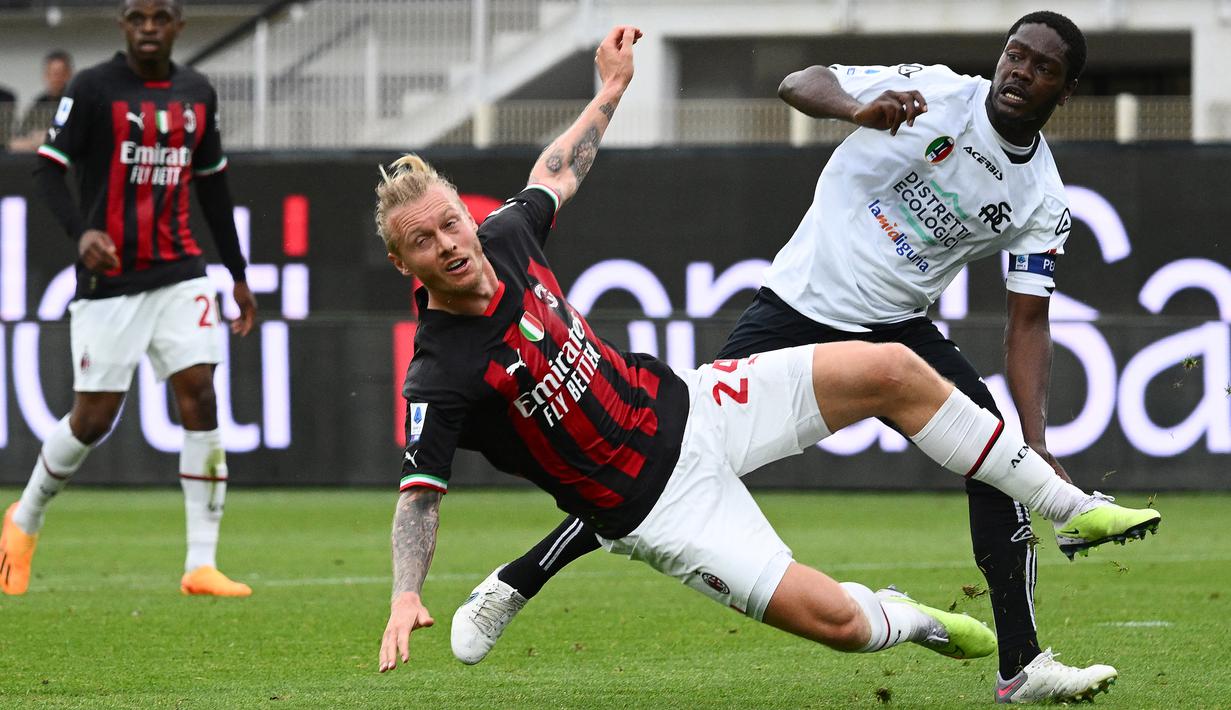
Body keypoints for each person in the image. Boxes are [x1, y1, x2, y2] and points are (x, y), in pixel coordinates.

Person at [374, 25, 1160, 679]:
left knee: (967, 436)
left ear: (1065, 89)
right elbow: (800, 80)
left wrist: (1040, 445)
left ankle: (1031, 638)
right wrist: (860, 107)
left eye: (1042, 66)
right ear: (401, 262)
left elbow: (1028, 321)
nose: (1020, 71)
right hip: (794, 310)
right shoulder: (935, 90)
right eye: (1014, 53)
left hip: (835, 348)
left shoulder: (1043, 199)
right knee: (717, 517)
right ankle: (519, 578)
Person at [0, 0, 256, 597]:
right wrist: (81, 231)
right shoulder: (93, 89)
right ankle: (25, 517)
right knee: (93, 420)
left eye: (160, 17)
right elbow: (46, 169)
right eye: (137, 17)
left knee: (200, 394)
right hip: (110, 281)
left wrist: (237, 274)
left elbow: (213, 186)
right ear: (123, 25)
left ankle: (200, 564)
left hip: (181, 271)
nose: (148, 27)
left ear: (178, 26)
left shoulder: (197, 92)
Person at [9, 50, 73, 153]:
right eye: (53, 73)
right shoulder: (39, 103)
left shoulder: (74, 102)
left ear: (69, 74)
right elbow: (18, 139)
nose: (56, 78)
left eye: (60, 73)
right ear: (46, 75)